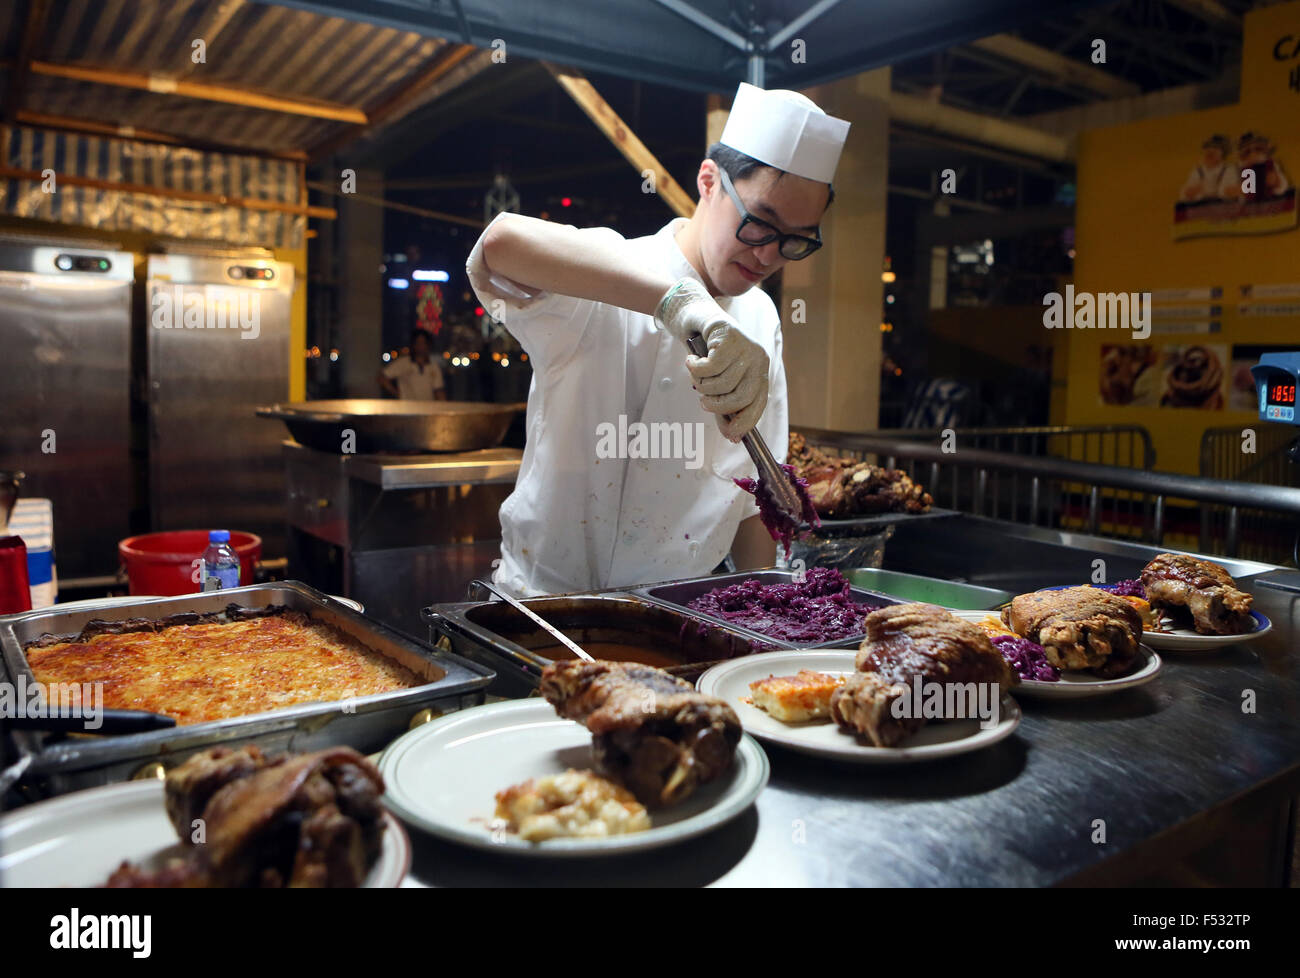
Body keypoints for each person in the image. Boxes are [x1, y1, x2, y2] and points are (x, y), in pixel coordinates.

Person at [466, 83, 850, 596]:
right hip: (547, 606)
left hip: (676, 616)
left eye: (796, 240)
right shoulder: (614, 270)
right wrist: (678, 301)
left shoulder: (760, 317)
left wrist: (766, 608)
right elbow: (499, 245)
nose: (768, 256)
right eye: (760, 223)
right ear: (709, 181)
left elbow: (753, 498)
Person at [377, 329, 447, 400]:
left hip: (427, 406)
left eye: (423, 343)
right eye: (418, 342)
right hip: (407, 405)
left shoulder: (434, 367)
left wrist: (444, 405)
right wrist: (398, 394)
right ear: (413, 344)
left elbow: (439, 390)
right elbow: (382, 377)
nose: (420, 346)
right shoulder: (403, 362)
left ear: (428, 345)